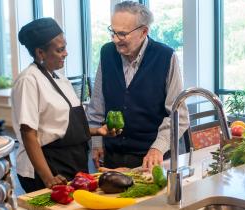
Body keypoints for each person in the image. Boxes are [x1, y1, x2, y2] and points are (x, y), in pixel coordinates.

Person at [12, 18, 116, 193]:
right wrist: (48, 178)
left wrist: (98, 131)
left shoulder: (59, 78)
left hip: (72, 163)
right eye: (60, 50)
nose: (66, 53)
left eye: (65, 47)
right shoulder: (28, 80)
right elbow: (28, 133)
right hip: (49, 167)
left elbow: (62, 126)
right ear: (40, 53)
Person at [87, 1, 189, 171]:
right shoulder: (107, 53)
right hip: (113, 158)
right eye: (112, 32)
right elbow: (97, 105)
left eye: (122, 34)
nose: (115, 39)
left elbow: (179, 115)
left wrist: (157, 148)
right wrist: (97, 144)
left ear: (143, 32)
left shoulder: (166, 56)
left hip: (152, 160)